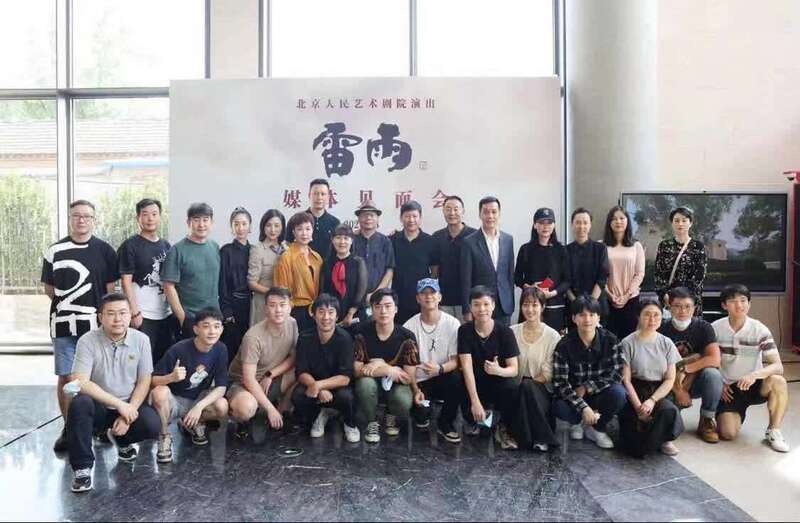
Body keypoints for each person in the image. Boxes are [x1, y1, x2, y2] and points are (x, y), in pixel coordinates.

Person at [42, 199, 119, 453]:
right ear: (70, 219)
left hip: (95, 326)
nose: (81, 220)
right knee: (66, 377)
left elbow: (110, 292)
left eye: (86, 216)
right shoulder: (54, 250)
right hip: (63, 325)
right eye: (76, 215)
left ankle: (99, 426)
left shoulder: (105, 251)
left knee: (98, 377)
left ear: (94, 220)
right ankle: (69, 429)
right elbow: (49, 289)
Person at [65, 293, 160, 493]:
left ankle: (122, 439)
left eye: (123, 313)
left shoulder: (141, 340)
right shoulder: (87, 341)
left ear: (130, 315)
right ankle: (82, 469)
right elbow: (80, 381)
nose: (117, 319)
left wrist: (128, 412)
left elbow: (144, 380)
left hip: (128, 403)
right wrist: (119, 405)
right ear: (101, 317)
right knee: (79, 404)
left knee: (152, 425)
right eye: (111, 313)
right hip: (99, 406)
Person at [712, 284, 790, 452]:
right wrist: (719, 383)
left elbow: (778, 366)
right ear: (724, 305)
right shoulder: (715, 329)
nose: (739, 305)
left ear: (749, 304)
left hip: (754, 384)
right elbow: (708, 360)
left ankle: (774, 431)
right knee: (727, 433)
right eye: (733, 301)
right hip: (729, 389)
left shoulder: (759, 330)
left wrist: (754, 375)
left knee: (778, 381)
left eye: (743, 300)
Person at [150, 308, 229, 462]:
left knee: (222, 405)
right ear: (196, 329)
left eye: (216, 326)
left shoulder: (221, 349)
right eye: (206, 326)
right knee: (159, 392)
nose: (212, 331)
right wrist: (171, 377)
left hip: (197, 399)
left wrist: (199, 407)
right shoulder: (179, 349)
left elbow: (221, 387)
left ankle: (193, 423)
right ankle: (164, 436)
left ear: (221, 329)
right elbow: (153, 380)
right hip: (174, 401)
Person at [552, 296, 626, 450]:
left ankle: (597, 428)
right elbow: (560, 384)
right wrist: (583, 408)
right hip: (574, 396)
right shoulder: (564, 345)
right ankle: (578, 422)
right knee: (558, 406)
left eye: (592, 315)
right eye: (582, 315)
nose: (587, 319)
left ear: (598, 317)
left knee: (619, 394)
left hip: (600, 393)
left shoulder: (611, 340)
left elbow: (617, 374)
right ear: (574, 318)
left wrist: (587, 387)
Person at [227, 287, 299, 437]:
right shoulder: (253, 337)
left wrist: (270, 374)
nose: (278, 310)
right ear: (265, 309)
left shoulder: (292, 323)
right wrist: (270, 409)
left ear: (290, 306)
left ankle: (280, 413)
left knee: (301, 372)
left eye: (282, 305)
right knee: (246, 408)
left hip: (267, 379)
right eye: (272, 305)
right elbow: (248, 379)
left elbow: (293, 358)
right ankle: (241, 418)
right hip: (242, 384)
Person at [353, 288, 420, 443]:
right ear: (371, 310)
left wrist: (380, 366)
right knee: (364, 385)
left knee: (403, 400)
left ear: (396, 309)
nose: (383, 311)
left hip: (397, 384)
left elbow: (408, 378)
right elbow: (357, 371)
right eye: (378, 306)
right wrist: (387, 369)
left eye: (388, 306)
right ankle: (372, 421)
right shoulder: (362, 332)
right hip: (371, 382)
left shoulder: (407, 337)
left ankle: (391, 415)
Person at [618, 299, 684, 457]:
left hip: (659, 391)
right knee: (633, 447)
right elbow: (626, 380)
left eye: (656, 315)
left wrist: (652, 400)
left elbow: (669, 379)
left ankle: (665, 439)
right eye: (647, 315)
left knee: (668, 411)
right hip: (635, 390)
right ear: (639, 317)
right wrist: (638, 407)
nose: (652, 319)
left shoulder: (666, 343)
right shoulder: (627, 342)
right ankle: (649, 439)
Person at [402, 278, 465, 443]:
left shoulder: (453, 323)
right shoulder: (409, 327)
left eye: (433, 292)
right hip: (420, 381)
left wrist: (439, 369)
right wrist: (415, 389)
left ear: (440, 297)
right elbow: (408, 366)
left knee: (458, 378)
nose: (428, 296)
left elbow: (455, 361)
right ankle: (422, 412)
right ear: (418, 298)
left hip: (443, 375)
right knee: (421, 419)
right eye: (424, 293)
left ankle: (446, 423)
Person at [458, 286, 521, 450]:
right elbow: (466, 367)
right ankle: (474, 419)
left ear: (493, 305)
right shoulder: (464, 331)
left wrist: (498, 370)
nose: (482, 309)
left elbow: (514, 369)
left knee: (512, 385)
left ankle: (501, 426)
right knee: (458, 378)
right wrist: (475, 403)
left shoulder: (505, 332)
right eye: (476, 304)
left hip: (497, 385)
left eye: (486, 304)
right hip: (475, 385)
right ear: (470, 307)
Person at [292, 293, 360, 443]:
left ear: (337, 316)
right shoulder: (304, 337)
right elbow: (301, 371)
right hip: (314, 384)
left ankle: (349, 423)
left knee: (346, 397)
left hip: (338, 386)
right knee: (298, 395)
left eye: (331, 312)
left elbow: (345, 378)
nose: (326, 317)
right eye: (321, 312)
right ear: (314, 315)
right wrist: (316, 386)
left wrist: (319, 385)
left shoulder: (345, 339)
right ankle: (319, 415)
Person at [658, 287, 723, 444]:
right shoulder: (661, 328)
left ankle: (707, 420)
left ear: (695, 308)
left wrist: (685, 369)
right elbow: (657, 366)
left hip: (694, 379)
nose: (683, 311)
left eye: (687, 306)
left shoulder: (704, 327)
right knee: (671, 429)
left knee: (713, 375)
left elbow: (714, 359)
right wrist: (678, 390)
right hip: (668, 381)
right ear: (669, 307)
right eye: (677, 306)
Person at [118, 198, 174, 366]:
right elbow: (125, 282)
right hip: (143, 315)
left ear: (160, 217)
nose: (150, 218)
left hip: (165, 314)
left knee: (161, 362)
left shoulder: (166, 246)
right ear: (138, 218)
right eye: (145, 214)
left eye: (154, 214)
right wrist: (134, 313)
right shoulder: (130, 246)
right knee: (139, 363)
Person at [510, 287, 561, 451]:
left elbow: (548, 373)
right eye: (526, 305)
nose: (530, 309)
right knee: (520, 388)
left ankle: (530, 438)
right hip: (515, 386)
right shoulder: (512, 332)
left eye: (535, 305)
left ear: (543, 307)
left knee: (527, 387)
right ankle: (542, 438)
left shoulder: (553, 336)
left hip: (541, 388)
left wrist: (525, 386)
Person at [162, 203, 221, 340]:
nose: (201, 224)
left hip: (213, 319)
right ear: (189, 222)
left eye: (205, 220)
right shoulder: (177, 250)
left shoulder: (214, 247)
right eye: (196, 220)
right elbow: (168, 286)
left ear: (211, 223)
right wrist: (182, 317)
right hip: (190, 319)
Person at [460, 197, 515, 326]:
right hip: (480, 306)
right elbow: (465, 279)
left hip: (503, 304)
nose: (490, 216)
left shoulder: (508, 239)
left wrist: (511, 301)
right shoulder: (469, 242)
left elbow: (509, 274)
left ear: (499, 213)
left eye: (494, 212)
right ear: (480, 215)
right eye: (486, 212)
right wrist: (467, 309)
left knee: (503, 337)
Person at [514, 208, 569, 331]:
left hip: (555, 305)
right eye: (541, 223)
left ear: (554, 225)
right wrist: (529, 288)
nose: (545, 226)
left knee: (554, 338)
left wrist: (552, 293)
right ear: (535, 225)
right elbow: (517, 277)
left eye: (549, 223)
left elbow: (567, 280)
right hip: (531, 304)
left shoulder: (561, 250)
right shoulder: (525, 249)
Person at [274, 211, 323, 332]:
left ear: (312, 231)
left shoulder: (317, 257)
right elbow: (281, 290)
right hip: (295, 311)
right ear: (293, 232)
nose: (304, 233)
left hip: (316, 310)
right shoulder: (286, 257)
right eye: (300, 229)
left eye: (308, 229)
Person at [391, 200, 438, 324]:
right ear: (401, 218)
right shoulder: (392, 240)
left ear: (420, 218)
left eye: (414, 216)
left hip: (422, 298)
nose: (411, 220)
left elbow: (434, 269)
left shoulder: (430, 241)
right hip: (398, 297)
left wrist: (429, 289)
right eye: (407, 216)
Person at [654, 206, 707, 315]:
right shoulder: (664, 245)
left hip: (690, 301)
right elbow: (658, 273)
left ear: (690, 223)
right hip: (668, 301)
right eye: (676, 221)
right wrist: (665, 294)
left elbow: (700, 275)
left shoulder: (698, 246)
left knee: (692, 326)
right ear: (672, 223)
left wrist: (684, 297)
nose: (680, 224)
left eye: (684, 220)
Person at [432, 195, 477, 323]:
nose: (452, 213)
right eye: (448, 209)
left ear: (463, 211)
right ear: (443, 211)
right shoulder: (437, 237)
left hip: (469, 301)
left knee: (467, 333)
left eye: (456, 209)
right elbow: (434, 271)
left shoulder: (474, 236)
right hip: (444, 301)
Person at [603, 206, 645, 340]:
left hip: (631, 300)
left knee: (629, 339)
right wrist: (609, 294)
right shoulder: (601, 246)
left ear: (627, 221)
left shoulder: (636, 246)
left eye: (622, 218)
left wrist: (627, 295)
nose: (618, 221)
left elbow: (639, 274)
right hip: (607, 300)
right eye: (614, 219)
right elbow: (598, 275)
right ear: (609, 223)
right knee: (608, 340)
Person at [219, 207, 252, 363]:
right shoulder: (226, 251)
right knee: (231, 346)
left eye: (244, 224)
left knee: (249, 345)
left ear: (250, 227)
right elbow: (222, 283)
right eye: (236, 224)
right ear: (231, 227)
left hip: (252, 305)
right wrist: (226, 310)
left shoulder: (254, 250)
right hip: (233, 304)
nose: (240, 228)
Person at [566, 208, 609, 327]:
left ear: (590, 225)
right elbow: (564, 280)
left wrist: (590, 304)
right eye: (578, 222)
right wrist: (577, 304)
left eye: (585, 223)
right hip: (573, 306)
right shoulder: (565, 251)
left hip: (597, 305)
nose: (581, 226)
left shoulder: (600, 248)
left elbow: (602, 278)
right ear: (572, 225)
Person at [321, 223, 368, 328]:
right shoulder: (327, 263)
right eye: (338, 238)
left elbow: (361, 291)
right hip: (331, 315)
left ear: (351, 241)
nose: (342, 242)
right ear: (332, 240)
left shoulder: (358, 262)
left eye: (346, 238)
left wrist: (350, 313)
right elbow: (323, 290)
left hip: (355, 316)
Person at [352, 200, 395, 309]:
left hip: (378, 299)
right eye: (364, 215)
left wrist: (376, 294)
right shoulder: (351, 240)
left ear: (377, 218)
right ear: (358, 219)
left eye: (372, 215)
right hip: (353, 298)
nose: (368, 218)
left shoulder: (385, 241)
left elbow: (389, 270)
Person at [247, 209, 287, 326]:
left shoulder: (286, 249)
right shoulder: (257, 250)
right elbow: (251, 283)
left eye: (277, 225)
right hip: (263, 303)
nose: (273, 230)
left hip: (282, 305)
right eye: (268, 225)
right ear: (263, 227)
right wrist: (273, 293)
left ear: (282, 227)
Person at [285, 178, 340, 261]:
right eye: (315, 194)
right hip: (301, 266)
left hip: (328, 267)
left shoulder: (335, 223)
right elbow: (287, 244)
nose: (319, 197)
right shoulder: (296, 220)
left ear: (328, 197)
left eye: (323, 194)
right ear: (309, 195)